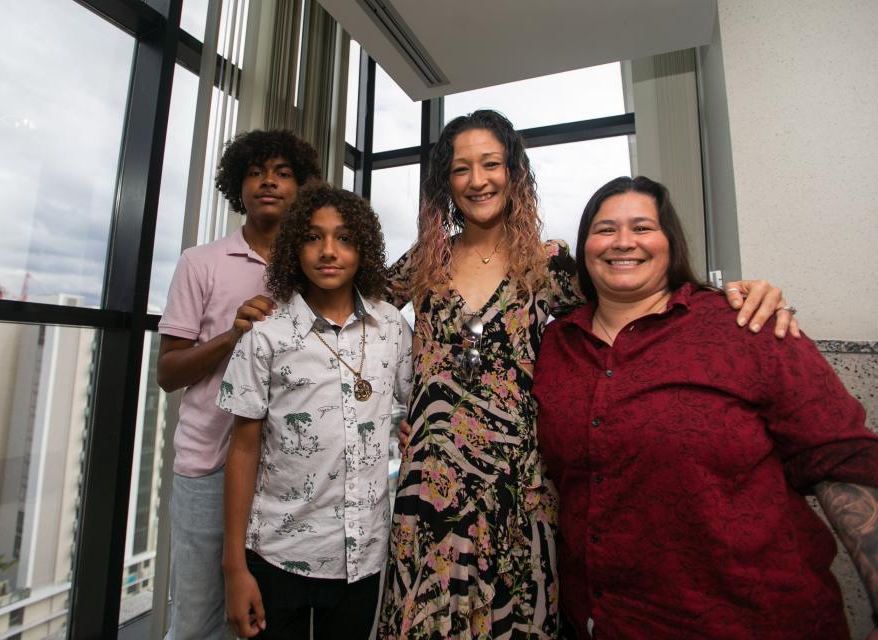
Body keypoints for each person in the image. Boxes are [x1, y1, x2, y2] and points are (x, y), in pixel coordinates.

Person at [237, 110, 794, 638]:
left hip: (521, 493)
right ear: (444, 183)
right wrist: (269, 307)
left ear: (514, 172)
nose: (477, 180)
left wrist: (726, 297)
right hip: (430, 494)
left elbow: (637, 300)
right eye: (460, 167)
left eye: (491, 163)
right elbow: (341, 305)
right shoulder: (424, 262)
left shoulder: (547, 264)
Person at [532, 175, 878, 639]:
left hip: (750, 622)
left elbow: (844, 461)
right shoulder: (557, 343)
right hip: (601, 622)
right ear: (585, 245)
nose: (623, 242)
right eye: (605, 229)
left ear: (670, 242)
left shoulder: (745, 326)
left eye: (641, 227)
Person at [217, 184, 414, 639]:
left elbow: (417, 406)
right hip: (277, 554)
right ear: (293, 248)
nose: (329, 251)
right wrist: (233, 568)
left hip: (362, 559)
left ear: (364, 248)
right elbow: (243, 450)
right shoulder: (266, 333)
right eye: (312, 237)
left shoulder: (390, 328)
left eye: (344, 238)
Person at [156, 129, 321, 639]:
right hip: (209, 465)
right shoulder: (199, 262)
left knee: (266, 621)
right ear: (238, 186)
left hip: (289, 474)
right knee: (199, 620)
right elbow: (168, 373)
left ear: (302, 187)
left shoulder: (316, 269)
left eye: (283, 173)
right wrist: (234, 334)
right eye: (255, 172)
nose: (268, 182)